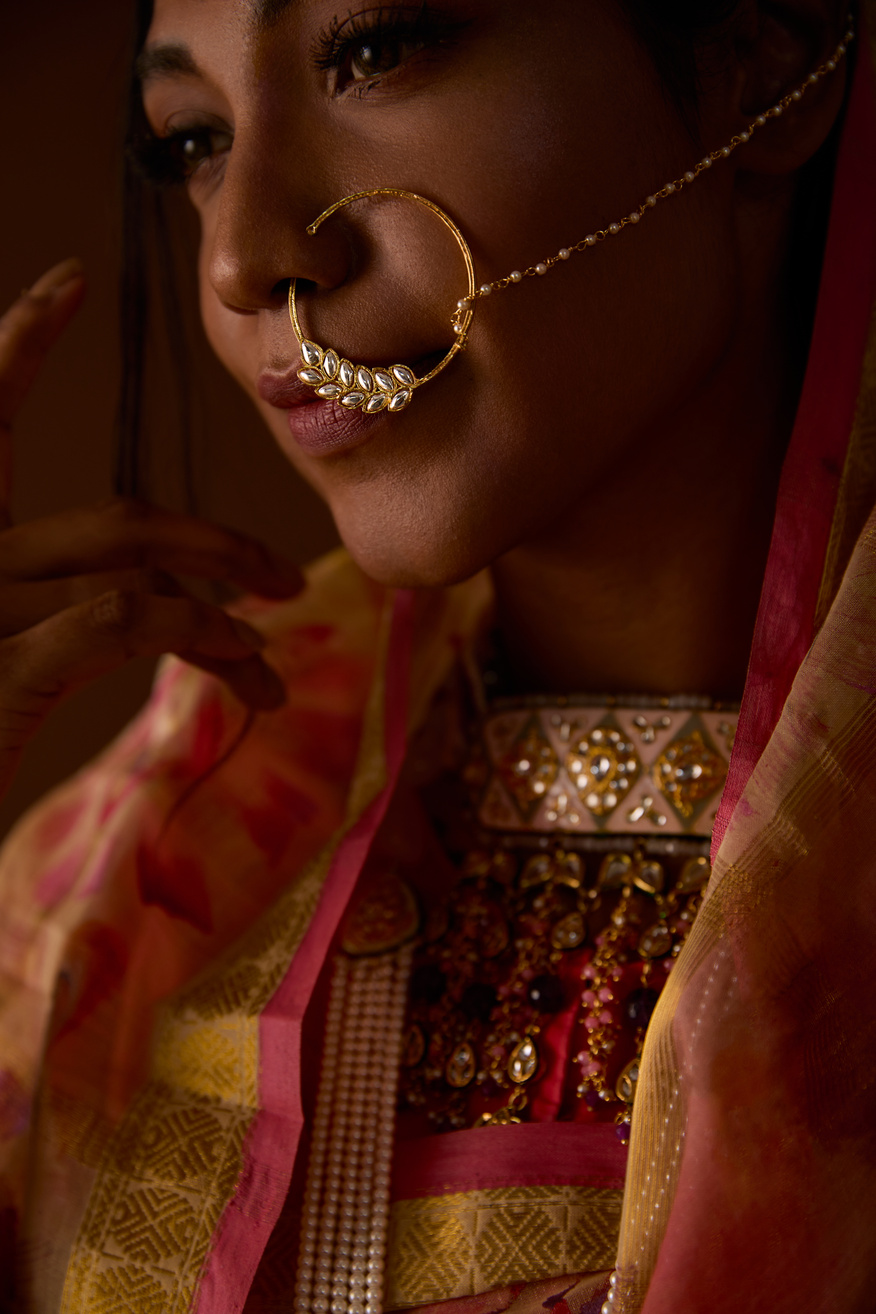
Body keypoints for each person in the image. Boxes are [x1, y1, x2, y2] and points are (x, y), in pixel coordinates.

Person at [1, 0, 875, 1310]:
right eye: (193, 139)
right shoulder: (133, 893)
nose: (245, 254)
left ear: (768, 54)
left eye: (375, 49)